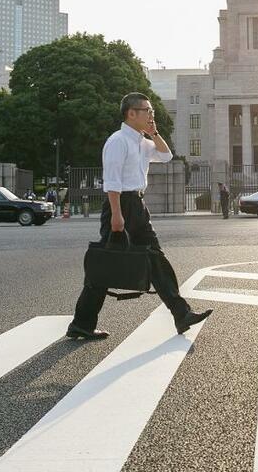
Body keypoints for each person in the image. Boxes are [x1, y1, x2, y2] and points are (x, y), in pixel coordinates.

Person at [68, 93, 212, 340]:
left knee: (155, 258)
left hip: (136, 203)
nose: (150, 115)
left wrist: (154, 133)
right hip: (120, 204)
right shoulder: (118, 141)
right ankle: (82, 323)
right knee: (105, 263)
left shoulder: (142, 142)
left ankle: (181, 313)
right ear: (131, 113)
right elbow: (112, 181)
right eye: (146, 111)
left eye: (151, 111)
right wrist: (116, 215)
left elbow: (166, 156)